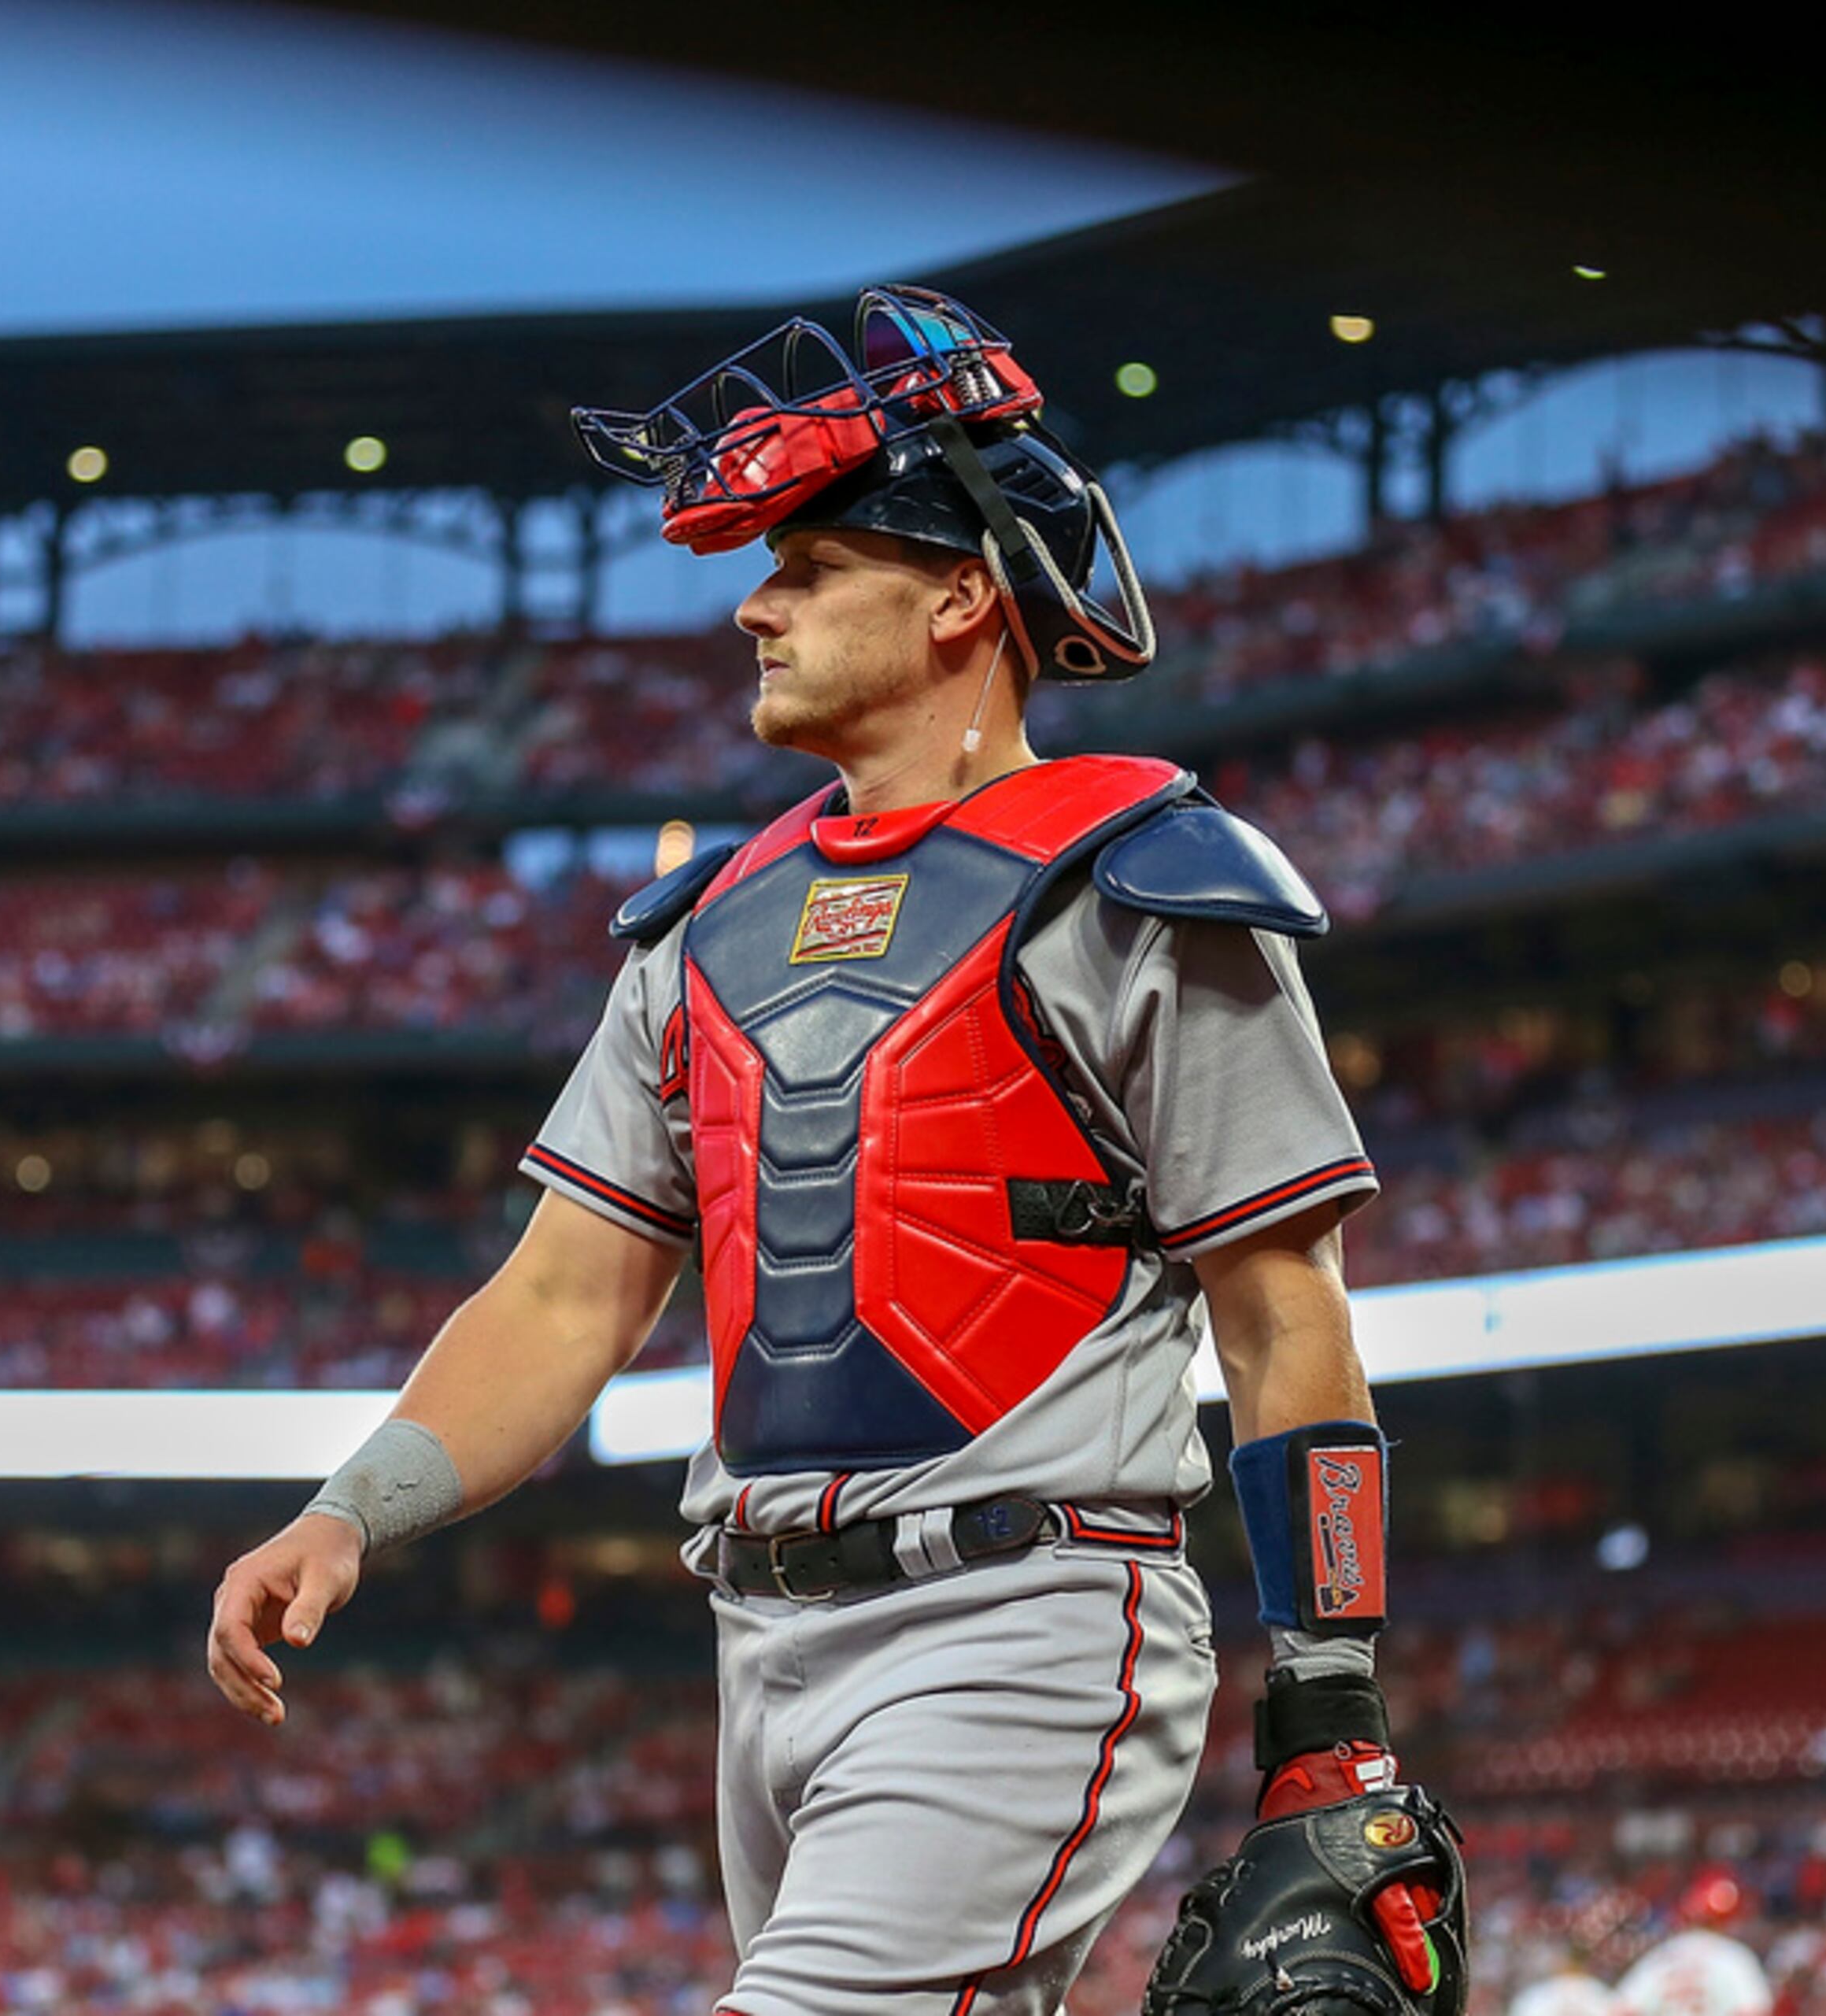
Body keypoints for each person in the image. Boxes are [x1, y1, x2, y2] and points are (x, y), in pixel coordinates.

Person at [208, 287, 1461, 2015]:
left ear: (962, 595)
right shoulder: (700, 929)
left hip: (1026, 1613)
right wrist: (352, 1510)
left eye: (808, 567)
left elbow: (1284, 1317)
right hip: (762, 1639)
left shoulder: (1146, 884)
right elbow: (568, 1296)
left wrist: (1328, 1705)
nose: (755, 603)